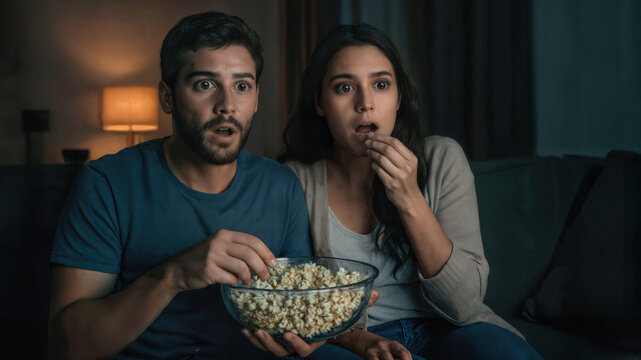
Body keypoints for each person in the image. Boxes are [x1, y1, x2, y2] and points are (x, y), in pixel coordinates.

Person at [246, 24, 543, 359]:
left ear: (399, 98)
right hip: (354, 341)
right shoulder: (295, 180)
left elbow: (464, 304)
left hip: (452, 328)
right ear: (320, 102)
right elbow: (290, 300)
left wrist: (410, 198)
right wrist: (359, 341)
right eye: (345, 87)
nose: (365, 103)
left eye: (381, 84)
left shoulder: (443, 158)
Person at [48, 11, 313, 360]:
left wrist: (323, 331)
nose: (227, 106)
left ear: (257, 98)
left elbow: (302, 311)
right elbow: (68, 347)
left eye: (242, 86)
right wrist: (174, 275)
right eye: (205, 84)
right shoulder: (107, 183)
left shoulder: (281, 185)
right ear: (168, 97)